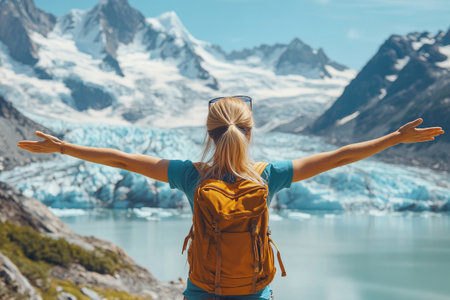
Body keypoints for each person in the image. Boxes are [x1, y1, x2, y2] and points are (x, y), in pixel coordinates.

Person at [17, 96, 444, 300]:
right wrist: (395, 138)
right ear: (251, 131)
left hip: (204, 289)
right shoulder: (269, 176)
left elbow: (125, 160)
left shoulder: (191, 176)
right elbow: (339, 156)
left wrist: (64, 148)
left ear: (209, 133)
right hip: (256, 291)